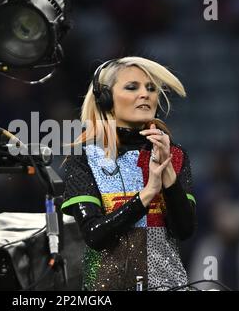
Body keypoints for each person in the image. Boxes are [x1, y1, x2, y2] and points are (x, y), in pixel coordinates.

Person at [61, 57, 196, 291]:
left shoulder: (175, 155)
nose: (145, 94)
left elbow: (184, 230)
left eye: (151, 88)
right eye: (132, 87)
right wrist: (149, 192)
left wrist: (168, 178)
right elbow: (96, 236)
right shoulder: (84, 158)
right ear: (105, 99)